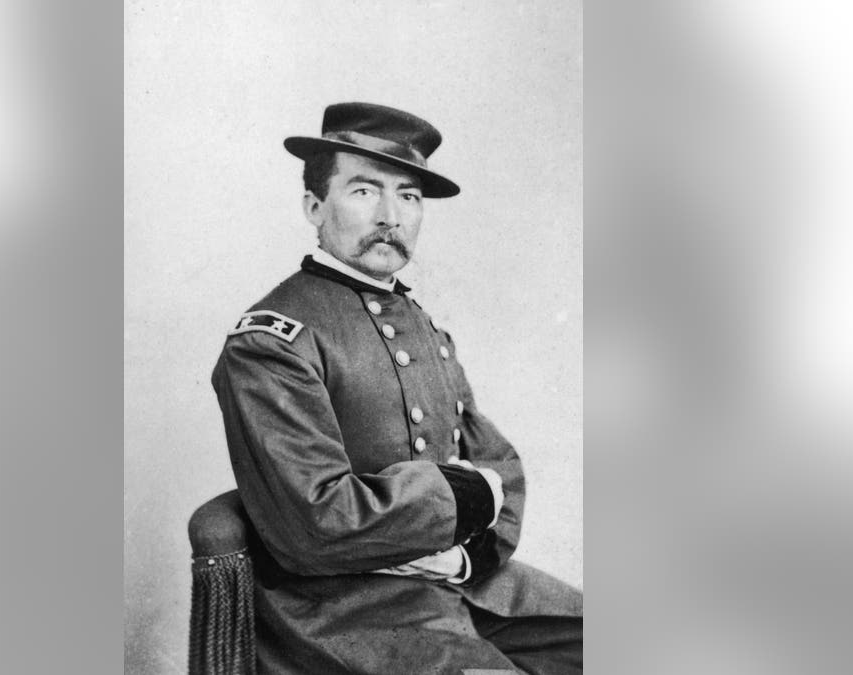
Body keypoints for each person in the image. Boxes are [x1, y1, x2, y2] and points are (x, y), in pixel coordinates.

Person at [211, 102, 583, 674]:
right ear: (315, 206)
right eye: (364, 191)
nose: (391, 215)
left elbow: (499, 465)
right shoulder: (273, 340)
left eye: (408, 196)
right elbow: (317, 524)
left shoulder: (424, 325)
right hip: (340, 611)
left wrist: (461, 558)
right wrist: (465, 498)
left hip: (458, 585)